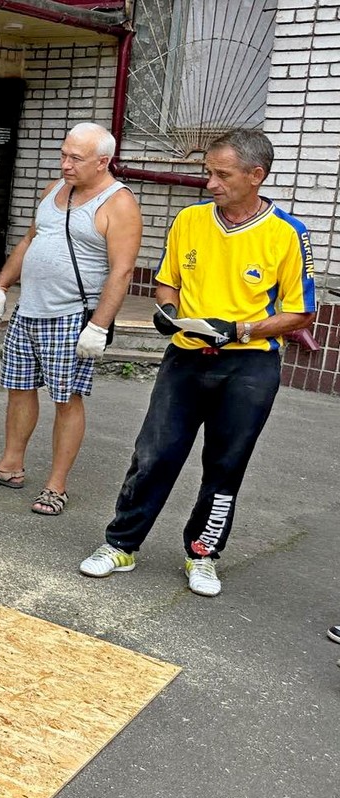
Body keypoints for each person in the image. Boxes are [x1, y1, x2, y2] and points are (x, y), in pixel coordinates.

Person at [79, 129, 316, 597]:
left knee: (226, 465)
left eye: (221, 174)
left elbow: (302, 311)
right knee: (154, 454)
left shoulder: (288, 233)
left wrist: (241, 329)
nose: (209, 183)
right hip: (186, 358)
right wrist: (167, 313)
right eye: (208, 172)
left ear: (256, 175)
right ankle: (121, 544)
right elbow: (168, 282)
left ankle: (203, 555)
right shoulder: (189, 220)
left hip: (248, 367)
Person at [0, 123, 142, 516]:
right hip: (29, 310)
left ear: (103, 162)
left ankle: (56, 486)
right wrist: (1, 285)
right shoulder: (55, 189)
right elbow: (30, 239)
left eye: (76, 159)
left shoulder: (118, 204)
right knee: (18, 388)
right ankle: (10, 465)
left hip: (71, 317)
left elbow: (122, 271)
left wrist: (98, 326)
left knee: (66, 400)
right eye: (63, 155)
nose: (65, 164)